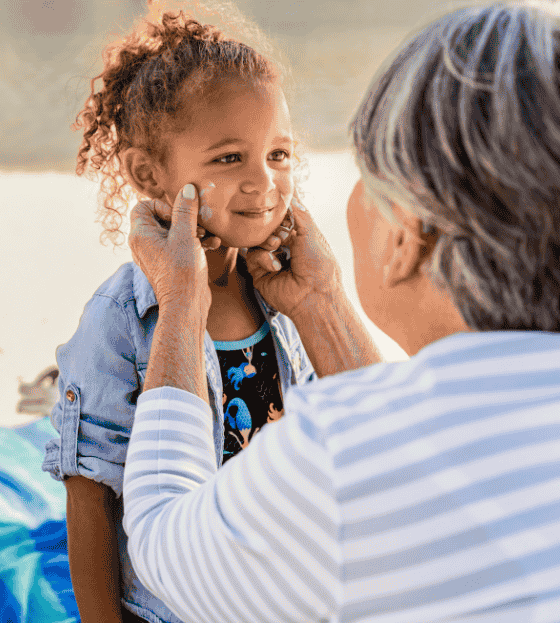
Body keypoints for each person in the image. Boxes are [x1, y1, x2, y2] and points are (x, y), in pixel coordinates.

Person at [120, 2, 560, 622]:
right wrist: (321, 309)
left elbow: (163, 541)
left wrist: (182, 303)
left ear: (406, 235)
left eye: (366, 173)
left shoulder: (341, 463)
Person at [39, 8, 369, 623]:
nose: (263, 182)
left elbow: (352, 435)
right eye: (228, 159)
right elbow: (90, 508)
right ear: (148, 174)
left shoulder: (286, 291)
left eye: (278, 153)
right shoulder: (118, 323)